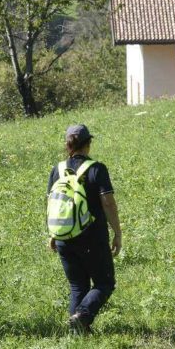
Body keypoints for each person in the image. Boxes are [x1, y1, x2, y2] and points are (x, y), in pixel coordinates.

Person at [47, 124, 123, 333]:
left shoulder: (57, 170)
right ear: (88, 144)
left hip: (63, 237)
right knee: (104, 283)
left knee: (78, 286)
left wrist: (53, 234)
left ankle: (77, 332)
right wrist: (117, 232)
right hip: (91, 237)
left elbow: (52, 203)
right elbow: (108, 203)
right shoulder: (96, 169)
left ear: (68, 145)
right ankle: (82, 316)